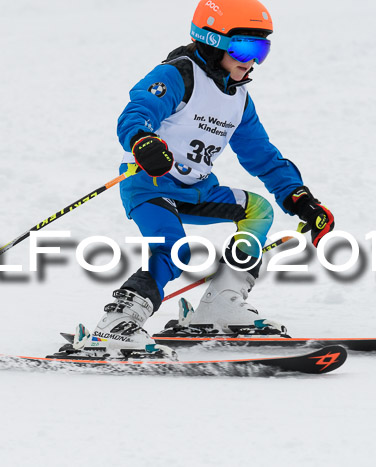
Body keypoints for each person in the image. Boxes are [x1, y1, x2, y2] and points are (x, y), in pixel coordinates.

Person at [74, 0, 335, 355]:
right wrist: (143, 141)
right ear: (211, 41)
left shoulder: (239, 99)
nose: (252, 59)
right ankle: (116, 324)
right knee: (171, 249)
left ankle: (221, 304)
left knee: (257, 210)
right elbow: (137, 111)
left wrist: (300, 199)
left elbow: (262, 155)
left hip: (196, 190)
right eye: (244, 46)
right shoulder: (178, 74)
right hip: (150, 184)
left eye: (262, 48)